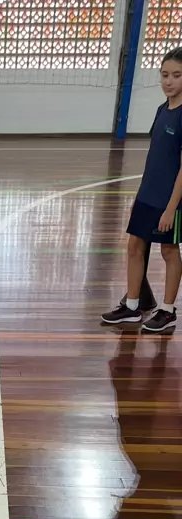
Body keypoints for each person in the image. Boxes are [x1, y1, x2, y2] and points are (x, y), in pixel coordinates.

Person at [102, 47, 182, 332]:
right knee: (135, 245)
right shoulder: (162, 109)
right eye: (164, 75)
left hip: (170, 199)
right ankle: (133, 307)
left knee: (169, 250)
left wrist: (171, 208)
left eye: (176, 75)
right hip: (148, 194)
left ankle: (168, 311)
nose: (168, 81)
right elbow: (156, 157)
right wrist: (141, 195)